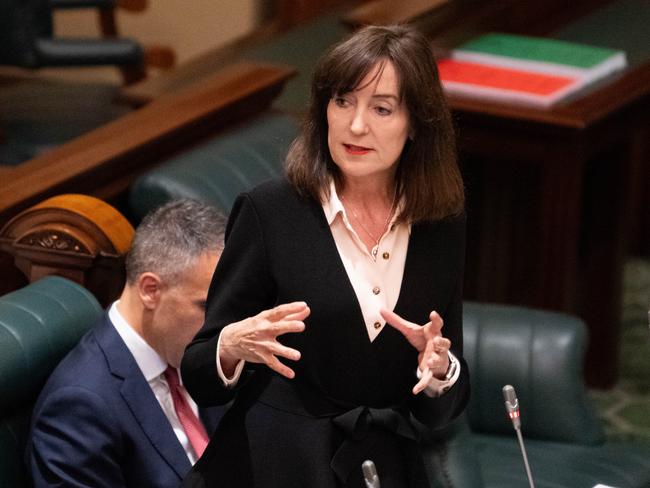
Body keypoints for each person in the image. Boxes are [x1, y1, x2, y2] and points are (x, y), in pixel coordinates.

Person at [181, 24, 469, 488]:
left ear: (416, 123)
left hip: (385, 465)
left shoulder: (441, 223)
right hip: (275, 464)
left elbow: (442, 405)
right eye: (343, 101)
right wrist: (231, 346)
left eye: (381, 108)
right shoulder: (269, 211)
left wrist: (439, 370)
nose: (356, 126)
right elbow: (199, 373)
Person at [29, 199, 228, 488]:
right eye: (206, 306)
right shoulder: (78, 407)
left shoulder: (191, 352)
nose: (222, 324)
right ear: (151, 290)